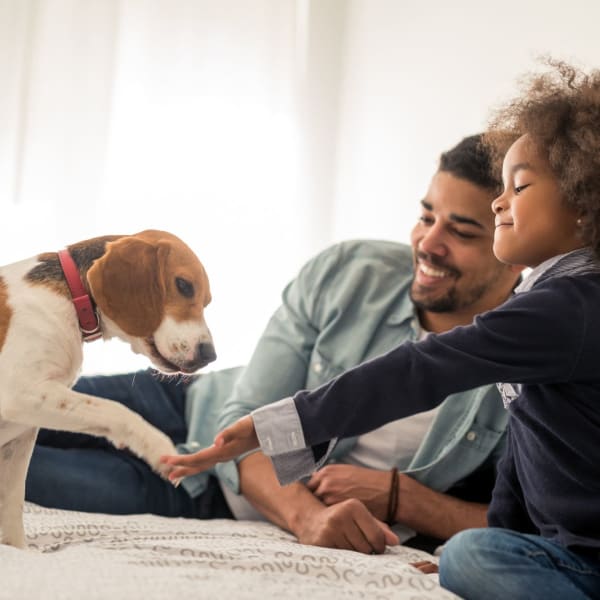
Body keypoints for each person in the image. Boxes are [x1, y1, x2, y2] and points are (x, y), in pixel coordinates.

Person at [163, 60, 600, 599]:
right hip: (564, 552)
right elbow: (524, 452)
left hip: (584, 561)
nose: (499, 201)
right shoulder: (552, 303)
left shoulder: (570, 307)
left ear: (582, 206)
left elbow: (421, 370)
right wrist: (492, 541)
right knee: (471, 554)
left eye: (520, 186)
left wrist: (283, 425)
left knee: (471, 554)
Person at [26, 134, 522, 554]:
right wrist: (309, 519)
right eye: (427, 215)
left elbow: (535, 524)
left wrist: (404, 500)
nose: (428, 243)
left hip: (202, 496)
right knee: (19, 396)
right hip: (187, 404)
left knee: (23, 474)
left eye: (460, 231)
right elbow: (247, 413)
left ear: (515, 251)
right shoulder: (351, 272)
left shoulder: (532, 358)